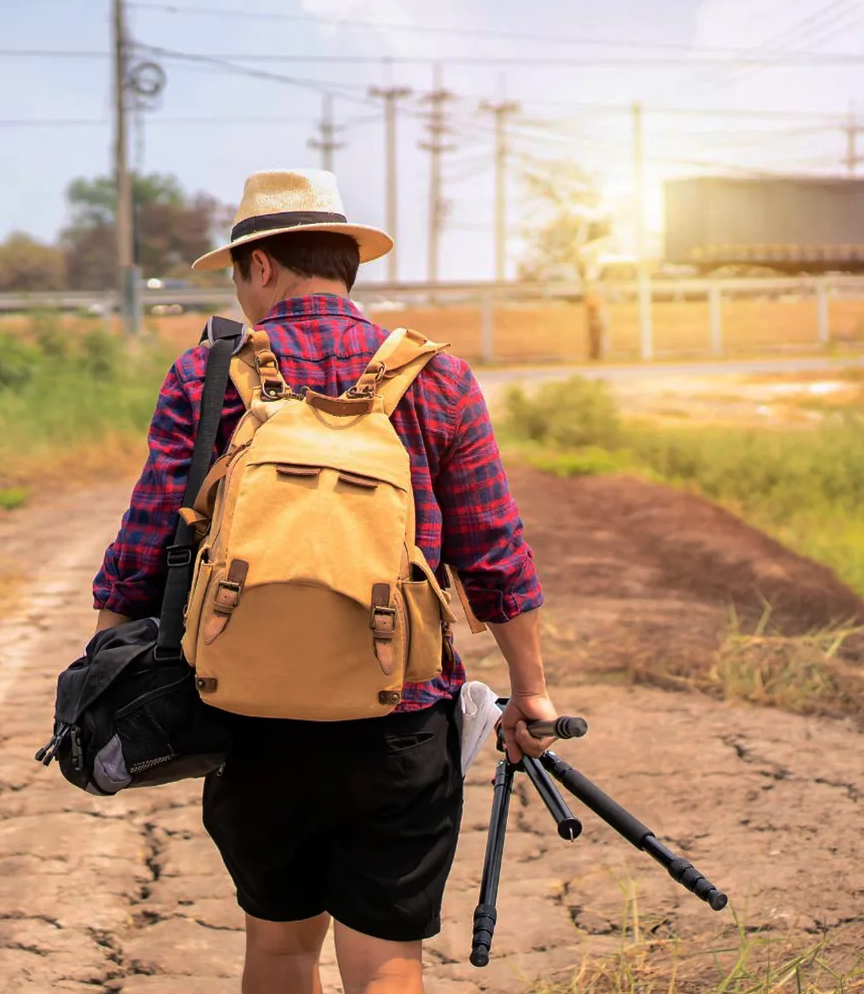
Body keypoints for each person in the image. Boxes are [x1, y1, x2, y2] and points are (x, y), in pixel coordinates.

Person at [91, 168, 553, 994]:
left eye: (237, 276)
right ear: (345, 264)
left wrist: (103, 665)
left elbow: (147, 535)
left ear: (260, 266)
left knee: (278, 947)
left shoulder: (207, 375)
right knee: (384, 961)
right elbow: (493, 551)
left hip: (249, 713)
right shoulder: (435, 376)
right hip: (399, 714)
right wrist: (532, 693)